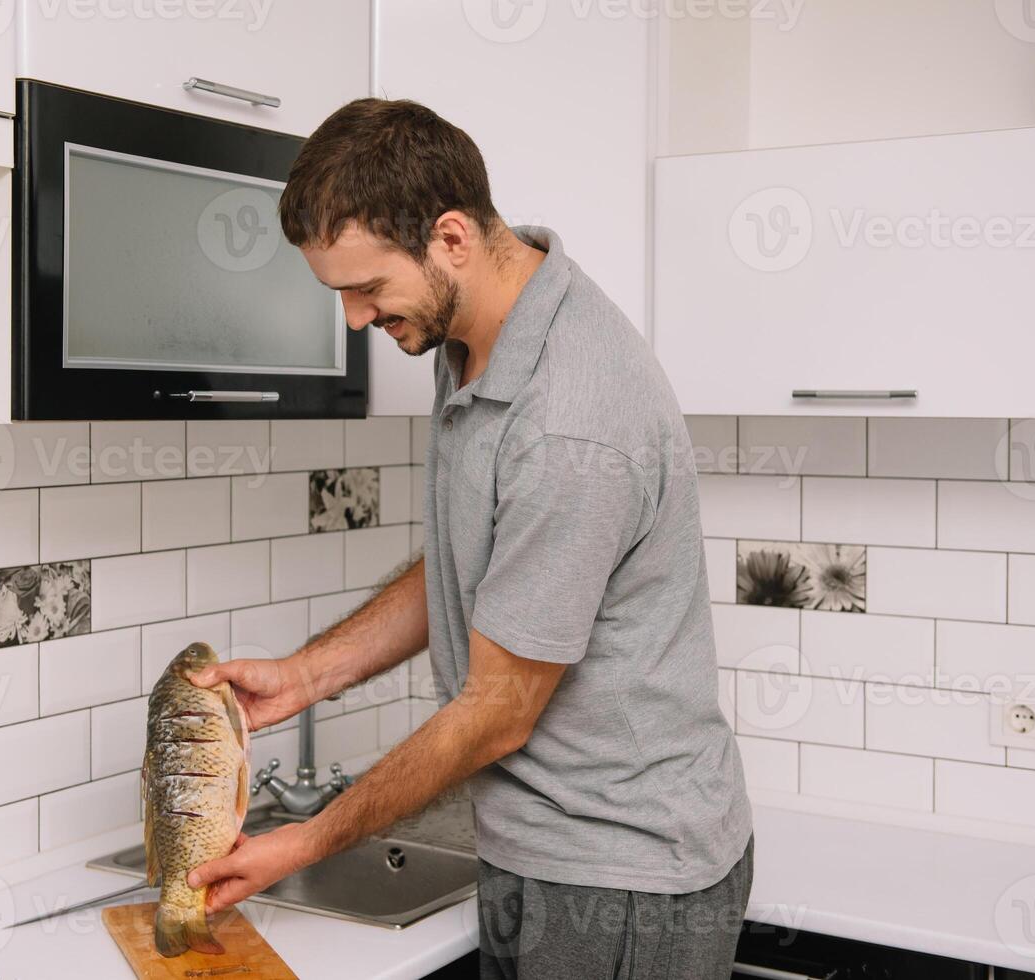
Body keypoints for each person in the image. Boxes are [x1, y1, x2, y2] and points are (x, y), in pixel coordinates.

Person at [185, 98, 754, 979]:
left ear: (451, 238)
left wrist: (305, 842)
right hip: (539, 846)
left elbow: (497, 712)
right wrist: (304, 678)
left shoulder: (569, 423)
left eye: (367, 289)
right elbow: (474, 564)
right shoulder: (474, 337)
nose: (357, 321)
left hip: (622, 878)